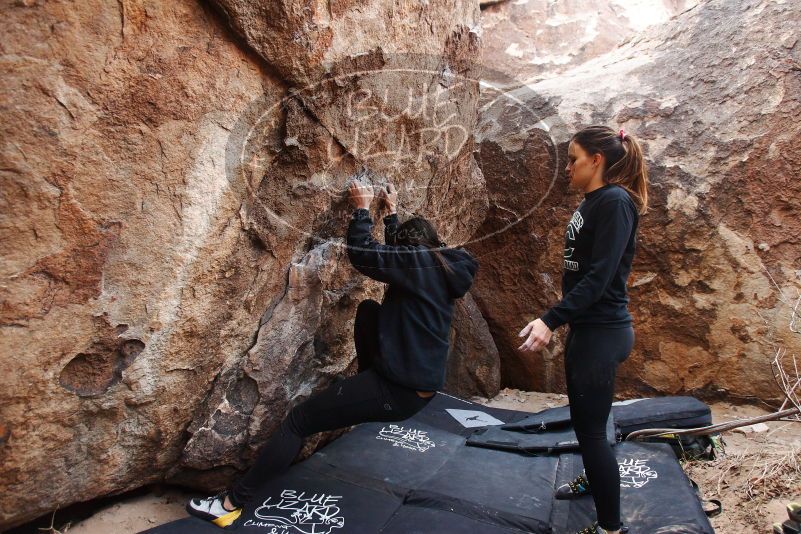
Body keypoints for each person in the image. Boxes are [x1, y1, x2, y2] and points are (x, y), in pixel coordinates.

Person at [187, 181, 479, 527]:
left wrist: (361, 209)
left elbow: (364, 253)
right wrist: (392, 214)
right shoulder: (442, 267)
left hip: (396, 391)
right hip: (415, 388)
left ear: (411, 249)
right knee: (370, 310)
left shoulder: (415, 265)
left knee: (299, 421)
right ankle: (364, 387)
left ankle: (230, 503)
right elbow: (398, 258)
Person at [517, 126, 648, 534]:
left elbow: (599, 278)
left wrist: (549, 319)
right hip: (590, 329)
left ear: (597, 160)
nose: (567, 168)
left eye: (573, 159)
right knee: (588, 422)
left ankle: (610, 527)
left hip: (603, 332)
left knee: (591, 432)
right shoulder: (594, 202)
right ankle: (595, 479)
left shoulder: (614, 203)